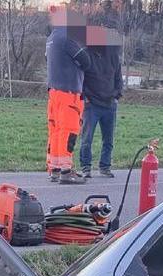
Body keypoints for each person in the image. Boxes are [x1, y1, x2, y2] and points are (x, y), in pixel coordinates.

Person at [45, 5, 92, 184]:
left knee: (55, 131)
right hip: (69, 93)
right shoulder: (68, 38)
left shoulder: (51, 38)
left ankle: (54, 169)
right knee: (69, 131)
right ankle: (66, 171)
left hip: (54, 92)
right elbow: (85, 62)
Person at [79, 25, 124, 179]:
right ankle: (86, 168)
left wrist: (117, 94)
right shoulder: (86, 54)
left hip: (110, 104)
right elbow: (80, 79)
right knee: (87, 139)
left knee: (108, 139)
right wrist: (85, 97)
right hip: (91, 104)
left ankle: (105, 167)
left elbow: (118, 76)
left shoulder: (113, 55)